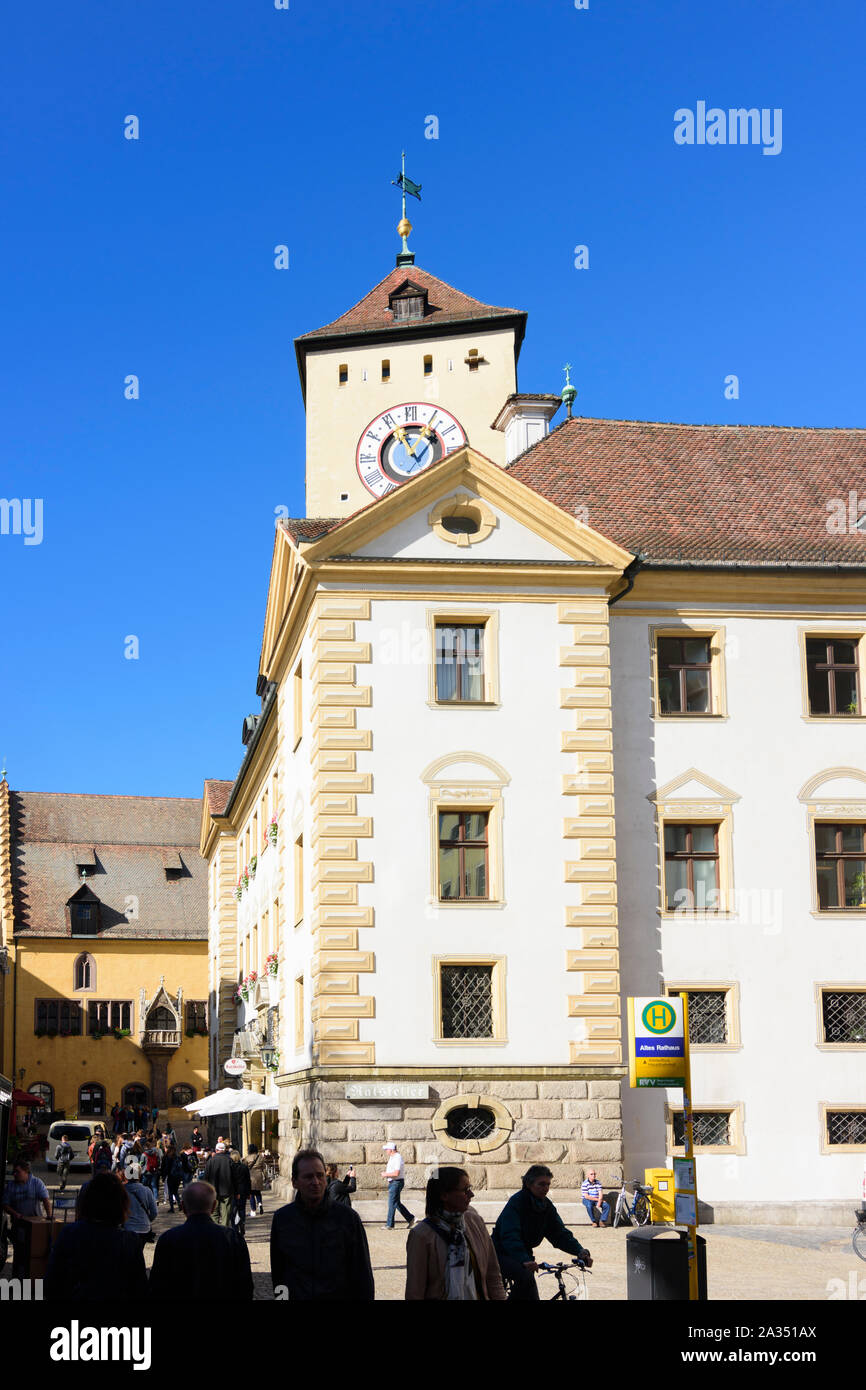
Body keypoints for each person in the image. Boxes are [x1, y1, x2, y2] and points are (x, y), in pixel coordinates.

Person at [270, 1149, 374, 1301]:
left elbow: (362, 1274)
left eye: (319, 1175)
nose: (315, 1182)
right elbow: (279, 1274)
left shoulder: (348, 1218)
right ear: (295, 1182)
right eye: (308, 1177)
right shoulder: (282, 1220)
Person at [492, 1164, 592, 1301]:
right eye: (541, 1184)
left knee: (531, 1294)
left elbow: (559, 1233)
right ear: (528, 1184)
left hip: (524, 1253)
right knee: (525, 1278)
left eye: (548, 1184)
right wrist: (524, 1259)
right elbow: (510, 1235)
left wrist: (580, 1251)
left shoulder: (546, 1205)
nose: (545, 1188)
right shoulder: (517, 1202)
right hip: (501, 1252)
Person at [405, 1167, 506, 1301]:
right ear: (444, 1195)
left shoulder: (474, 1222)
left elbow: (492, 1273)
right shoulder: (421, 1235)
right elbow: (415, 1289)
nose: (471, 1194)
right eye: (465, 1190)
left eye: (469, 1188)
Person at [44, 1172, 148, 1300]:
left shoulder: (69, 1233)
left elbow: (52, 1283)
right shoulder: (130, 1241)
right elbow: (139, 1290)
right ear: (122, 1204)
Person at [149, 1181, 253, 1300]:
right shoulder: (233, 1238)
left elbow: (157, 1286)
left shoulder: (168, 1240)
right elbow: (245, 1286)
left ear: (183, 1207)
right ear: (214, 1206)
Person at [2, 1160, 52, 1277]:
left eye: (17, 1172)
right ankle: (17, 1279)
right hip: (19, 1225)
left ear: (26, 1172)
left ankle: (33, 1278)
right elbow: (5, 1204)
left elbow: (45, 1199)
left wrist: (49, 1215)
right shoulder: (11, 1186)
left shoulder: (37, 1183)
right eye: (14, 1172)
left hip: (35, 1226)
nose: (15, 1174)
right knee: (19, 1253)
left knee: (34, 1253)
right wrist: (15, 1214)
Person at [121, 1161, 157, 1249]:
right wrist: (148, 1220)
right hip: (144, 1227)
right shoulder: (147, 1190)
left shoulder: (122, 1190)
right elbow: (154, 1212)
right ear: (139, 1175)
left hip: (128, 1227)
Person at [381, 1141, 415, 1229]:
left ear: (391, 1150)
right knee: (396, 1203)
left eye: (387, 1149)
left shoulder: (397, 1158)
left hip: (396, 1182)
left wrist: (386, 1174)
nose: (386, 1151)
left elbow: (396, 1173)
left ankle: (389, 1224)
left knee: (392, 1203)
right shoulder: (393, 1157)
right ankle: (410, 1218)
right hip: (394, 1182)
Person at [202, 1142, 235, 1226]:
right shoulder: (229, 1160)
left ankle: (215, 1229)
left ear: (216, 1150)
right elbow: (234, 1177)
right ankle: (224, 1230)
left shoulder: (211, 1161)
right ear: (224, 1150)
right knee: (226, 1213)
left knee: (214, 1213)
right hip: (227, 1191)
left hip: (213, 1191)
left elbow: (206, 1178)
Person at [229, 1148, 251, 1237]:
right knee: (242, 1209)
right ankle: (242, 1222)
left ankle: (234, 1228)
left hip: (233, 1191)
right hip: (243, 1191)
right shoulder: (244, 1167)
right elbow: (248, 1181)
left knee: (233, 1211)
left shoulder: (230, 1168)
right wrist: (249, 1192)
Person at [162, 1144, 186, 1213]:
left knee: (170, 1192)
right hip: (178, 1176)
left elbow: (166, 1168)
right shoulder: (177, 1157)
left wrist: (164, 1176)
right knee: (175, 1191)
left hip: (171, 1176)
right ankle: (179, 1205)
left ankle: (172, 1208)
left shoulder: (167, 1157)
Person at [244, 1143, 267, 1215]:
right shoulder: (260, 1157)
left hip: (250, 1177)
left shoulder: (247, 1158)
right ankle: (260, 1204)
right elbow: (264, 1168)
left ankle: (253, 1210)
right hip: (259, 1176)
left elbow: (244, 1169)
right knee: (258, 1192)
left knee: (251, 1194)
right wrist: (266, 1177)